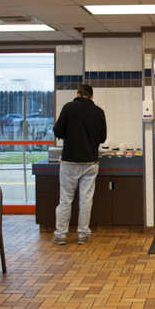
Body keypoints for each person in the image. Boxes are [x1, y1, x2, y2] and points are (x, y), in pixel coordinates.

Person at [52, 84, 107, 245]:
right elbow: (102, 138)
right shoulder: (98, 112)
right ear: (91, 96)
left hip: (69, 161)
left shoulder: (68, 108)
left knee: (66, 199)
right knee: (86, 199)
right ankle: (83, 234)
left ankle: (61, 234)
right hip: (90, 161)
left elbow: (58, 131)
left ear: (77, 94)